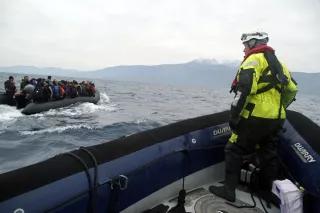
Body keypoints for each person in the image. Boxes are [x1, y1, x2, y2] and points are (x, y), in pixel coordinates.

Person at [209, 32, 298, 202]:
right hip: (276, 118)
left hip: (255, 117)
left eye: (245, 45)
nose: (243, 49)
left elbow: (244, 90)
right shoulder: (281, 65)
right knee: (268, 153)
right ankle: (265, 191)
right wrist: (280, 108)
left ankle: (229, 191)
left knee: (233, 149)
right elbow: (292, 89)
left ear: (253, 43)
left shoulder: (253, 60)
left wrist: (234, 116)